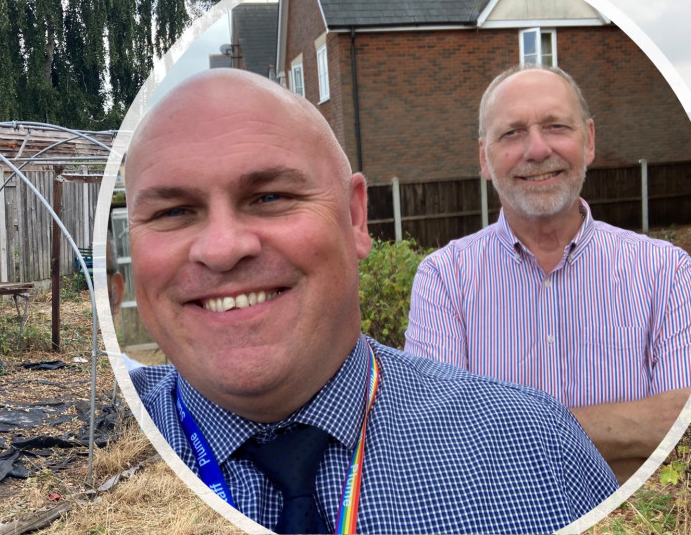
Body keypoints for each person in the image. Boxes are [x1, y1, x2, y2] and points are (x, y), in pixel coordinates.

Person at [123, 68, 617, 535]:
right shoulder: (85, 455)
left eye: (270, 197)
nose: (223, 248)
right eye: (174, 211)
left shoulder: (539, 454)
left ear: (356, 217)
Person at [405, 63, 691, 483]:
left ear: (588, 141)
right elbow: (437, 439)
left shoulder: (666, 271)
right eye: (512, 133)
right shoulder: (443, 279)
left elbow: (680, 427)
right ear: (484, 159)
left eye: (556, 126)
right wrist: (627, 436)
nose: (537, 149)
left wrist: (504, 437)